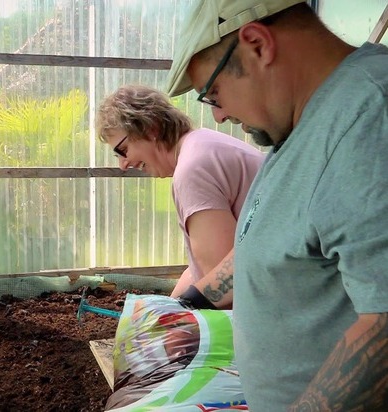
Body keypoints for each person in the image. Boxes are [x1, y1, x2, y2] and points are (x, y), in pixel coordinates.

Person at [165, 0, 388, 411]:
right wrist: (187, 305)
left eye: (213, 93)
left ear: (257, 45)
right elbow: (267, 244)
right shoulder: (301, 119)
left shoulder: (369, 115)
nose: (218, 116)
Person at [95, 84, 264, 306]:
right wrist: (167, 311)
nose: (123, 164)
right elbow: (205, 270)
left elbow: (225, 286)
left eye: (122, 150)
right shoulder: (203, 144)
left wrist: (176, 320)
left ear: (151, 128)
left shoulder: (192, 170)